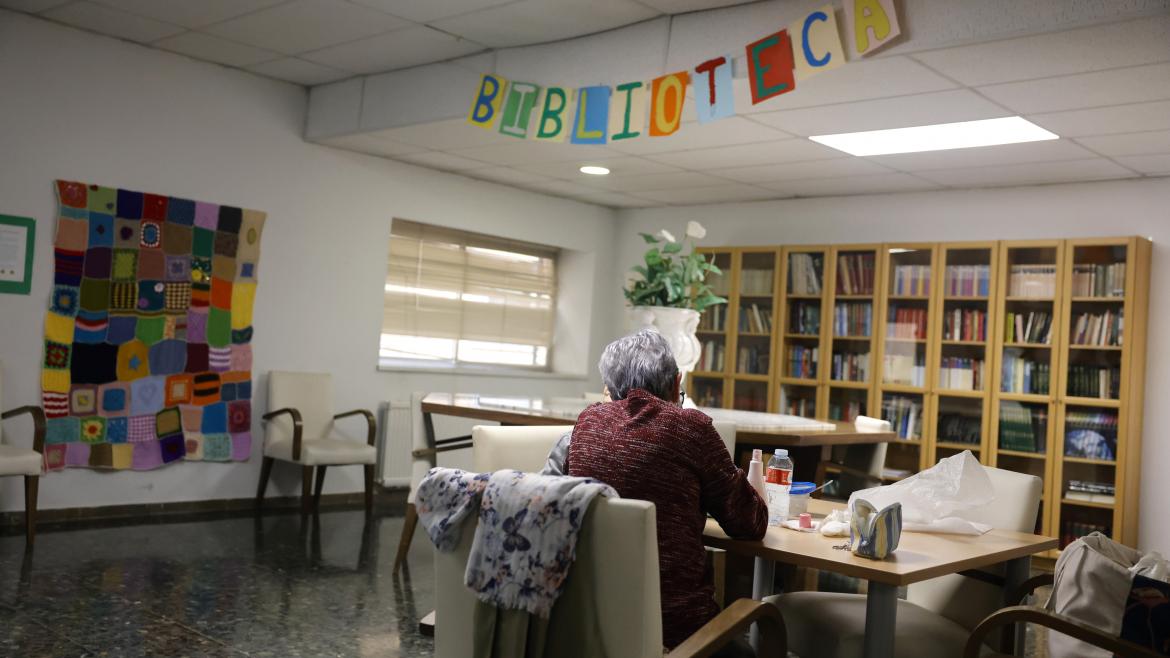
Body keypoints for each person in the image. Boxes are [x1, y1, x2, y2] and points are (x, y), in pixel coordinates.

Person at [542, 329, 767, 654]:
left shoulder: (585, 424)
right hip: (682, 637)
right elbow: (750, 523)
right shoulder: (692, 429)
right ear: (676, 383)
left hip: (591, 628)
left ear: (609, 386)